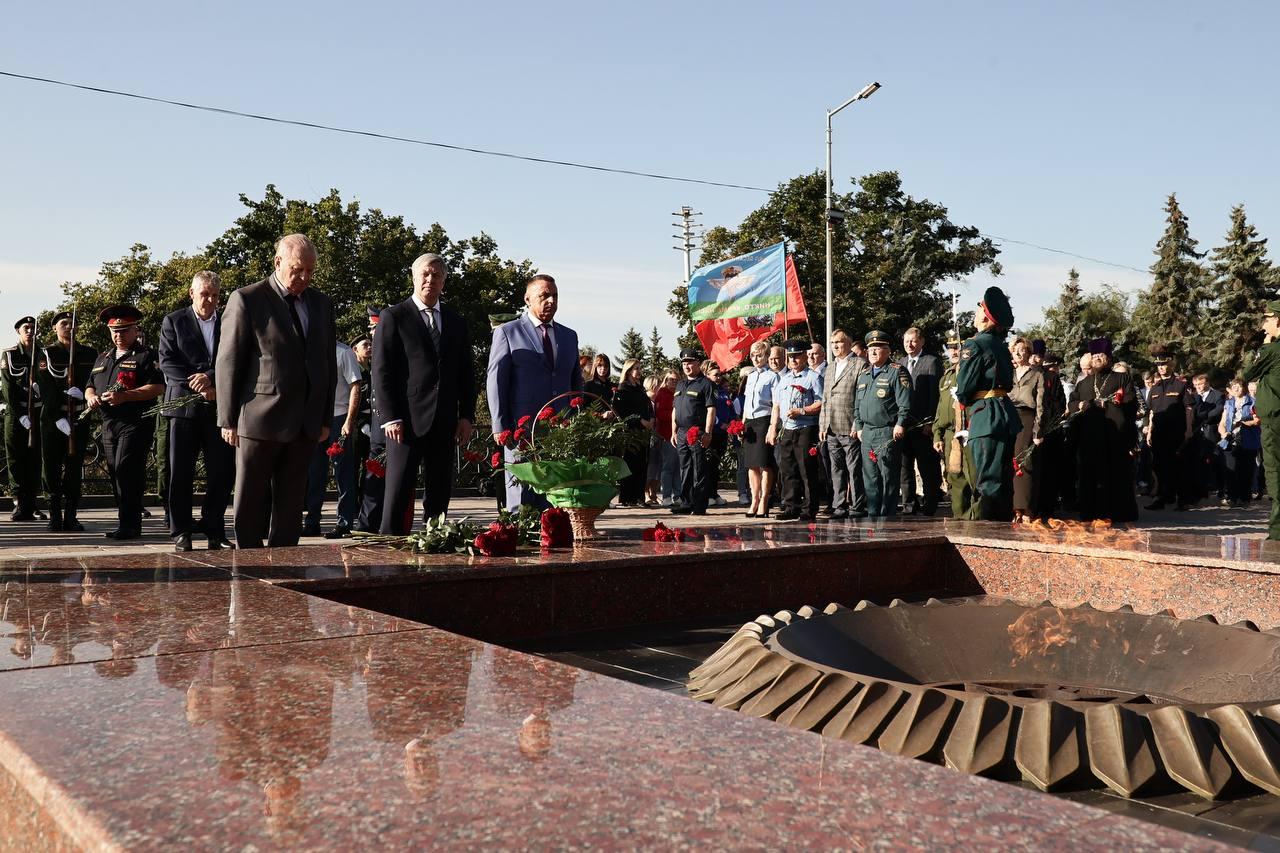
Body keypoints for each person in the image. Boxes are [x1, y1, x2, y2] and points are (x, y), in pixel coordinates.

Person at [216, 233, 338, 549]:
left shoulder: (321, 304)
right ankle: (249, 565)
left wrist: (324, 416)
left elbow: (327, 364)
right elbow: (229, 363)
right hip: (259, 418)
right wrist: (228, 419)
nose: (304, 278)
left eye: (310, 271)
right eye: (298, 269)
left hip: (305, 422)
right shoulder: (247, 299)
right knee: (252, 500)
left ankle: (285, 566)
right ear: (278, 262)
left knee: (291, 503)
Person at [375, 253, 476, 534]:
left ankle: (434, 547)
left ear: (444, 281)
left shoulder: (456, 321)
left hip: (444, 422)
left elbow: (466, 373)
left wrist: (466, 415)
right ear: (414, 277)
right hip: (405, 423)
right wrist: (391, 416)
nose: (430, 280)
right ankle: (389, 555)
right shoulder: (394, 316)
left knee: (439, 493)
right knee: (397, 492)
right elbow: (382, 372)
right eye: (425, 274)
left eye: (437, 275)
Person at [487, 274, 581, 511]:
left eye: (555, 296)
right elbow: (495, 381)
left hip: (561, 432)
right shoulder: (508, 332)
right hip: (522, 431)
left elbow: (576, 383)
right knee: (522, 495)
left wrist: (578, 420)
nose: (551, 301)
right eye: (544, 296)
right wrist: (499, 425)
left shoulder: (569, 336)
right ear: (528, 299)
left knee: (556, 498)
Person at [158, 271, 235, 551]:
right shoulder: (174, 321)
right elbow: (168, 362)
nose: (210, 300)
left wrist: (212, 377)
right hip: (183, 409)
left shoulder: (228, 321)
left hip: (218, 406)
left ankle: (214, 528)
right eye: (205, 294)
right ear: (192, 293)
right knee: (180, 472)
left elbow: (235, 355)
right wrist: (200, 385)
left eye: (215, 295)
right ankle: (181, 531)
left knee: (221, 472)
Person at [85, 305, 164, 539]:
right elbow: (90, 384)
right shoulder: (103, 357)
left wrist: (125, 396)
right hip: (109, 424)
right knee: (114, 472)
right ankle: (125, 522)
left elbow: (157, 387)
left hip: (135, 422)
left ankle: (131, 524)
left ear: (135, 330)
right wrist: (91, 397)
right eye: (115, 331)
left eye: (124, 330)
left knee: (126, 469)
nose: (118, 335)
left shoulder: (146, 356)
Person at [954, 287, 1021, 521]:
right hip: (1004, 414)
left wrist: (963, 398)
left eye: (978, 308)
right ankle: (1002, 532)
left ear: (984, 315)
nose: (975, 313)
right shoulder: (1000, 346)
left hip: (986, 417)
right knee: (1004, 480)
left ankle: (987, 535)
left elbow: (963, 387)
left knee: (988, 481)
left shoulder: (976, 345)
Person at [38, 310, 97, 531]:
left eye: (73, 323)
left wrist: (85, 393)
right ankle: (54, 514)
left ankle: (71, 514)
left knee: (74, 467)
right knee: (51, 467)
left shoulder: (89, 353)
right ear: (55, 328)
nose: (69, 327)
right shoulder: (46, 354)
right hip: (54, 420)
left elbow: (95, 379)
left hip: (79, 416)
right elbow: (44, 387)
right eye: (64, 323)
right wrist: (57, 416)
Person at [1070, 337, 1139, 522]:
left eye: (1101, 355)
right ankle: (1090, 512)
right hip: (1090, 437)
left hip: (1114, 437)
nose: (1097, 358)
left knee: (1116, 475)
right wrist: (1079, 405)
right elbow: (1071, 403)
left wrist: (1108, 406)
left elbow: (1131, 403)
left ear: (1109, 357)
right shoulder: (1083, 383)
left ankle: (1118, 513)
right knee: (1090, 475)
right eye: (1094, 355)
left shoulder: (1122, 378)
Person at [304, 341, 362, 537]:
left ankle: (344, 522)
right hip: (316, 419)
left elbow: (356, 386)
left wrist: (349, 421)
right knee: (314, 472)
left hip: (339, 418)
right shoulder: (309, 349)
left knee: (342, 472)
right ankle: (312, 522)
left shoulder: (344, 352)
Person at [852, 331, 911, 517]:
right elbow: (857, 405)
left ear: (888, 351)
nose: (873, 352)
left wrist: (901, 423)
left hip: (887, 431)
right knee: (869, 477)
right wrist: (859, 426)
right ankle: (873, 513)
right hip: (867, 432)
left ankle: (887, 515)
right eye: (870, 348)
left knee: (888, 477)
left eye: (878, 348)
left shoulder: (896, 371)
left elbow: (905, 402)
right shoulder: (864, 374)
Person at [767, 340, 824, 521]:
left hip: (806, 428)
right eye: (790, 357)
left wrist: (802, 411)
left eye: (796, 356)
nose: (793, 360)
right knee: (788, 469)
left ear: (804, 357)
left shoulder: (813, 377)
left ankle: (809, 508)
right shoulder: (784, 379)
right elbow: (776, 405)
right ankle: (791, 506)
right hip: (787, 429)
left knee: (807, 469)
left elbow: (821, 402)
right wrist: (772, 428)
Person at [818, 329, 867, 519]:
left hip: (849, 425)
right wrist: (823, 425)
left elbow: (861, 398)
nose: (835, 346)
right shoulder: (830, 367)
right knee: (836, 468)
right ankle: (839, 505)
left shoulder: (860, 364)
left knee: (854, 469)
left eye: (838, 342)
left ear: (848, 343)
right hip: (831, 427)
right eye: (832, 343)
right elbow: (825, 398)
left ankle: (857, 505)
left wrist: (858, 423)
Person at [1244, 300, 1280, 539]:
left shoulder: (1272, 350)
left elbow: (1249, 372)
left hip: (1275, 420)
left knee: (1275, 470)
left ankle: (1278, 530)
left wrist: (1265, 345)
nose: (1264, 324)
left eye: (1267, 319)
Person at [1144, 346, 1195, 511]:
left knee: (1178, 466)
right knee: (1159, 466)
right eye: (1159, 365)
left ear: (1171, 365)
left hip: (1176, 433)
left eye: (1164, 364)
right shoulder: (1154, 388)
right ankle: (1162, 497)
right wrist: (1150, 431)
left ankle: (1182, 500)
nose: (1161, 367)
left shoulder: (1180, 385)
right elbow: (1152, 412)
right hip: (1159, 433)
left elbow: (1189, 408)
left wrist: (1188, 429)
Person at [2, 316, 42, 521]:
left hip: (37, 413)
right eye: (26, 327)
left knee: (35, 459)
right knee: (16, 459)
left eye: (33, 327)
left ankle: (33, 503)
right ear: (18, 331)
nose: (30, 331)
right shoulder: (9, 355)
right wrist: (20, 416)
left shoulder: (43, 354)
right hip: (16, 414)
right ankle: (18, 503)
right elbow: (8, 390)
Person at [899, 327, 942, 515]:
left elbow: (935, 395)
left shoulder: (931, 362)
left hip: (923, 424)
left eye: (914, 341)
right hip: (905, 424)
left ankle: (930, 502)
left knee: (927, 466)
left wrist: (930, 422)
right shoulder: (899, 363)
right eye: (906, 341)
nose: (910, 344)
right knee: (905, 467)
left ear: (922, 342)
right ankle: (909, 504)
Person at [356, 305, 389, 533]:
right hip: (375, 426)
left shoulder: (389, 348)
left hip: (389, 422)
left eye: (376, 327)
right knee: (373, 474)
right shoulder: (376, 351)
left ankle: (383, 525)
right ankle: (367, 525)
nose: (373, 333)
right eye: (372, 328)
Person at [671, 348, 715, 516]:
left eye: (689, 362)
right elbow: (675, 409)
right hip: (681, 432)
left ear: (698, 363)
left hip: (697, 431)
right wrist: (673, 431)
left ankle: (699, 504)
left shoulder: (705, 384)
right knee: (685, 468)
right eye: (684, 363)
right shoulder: (681, 384)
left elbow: (711, 409)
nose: (686, 366)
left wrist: (708, 433)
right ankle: (686, 502)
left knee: (699, 468)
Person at [933, 339, 974, 519]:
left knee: (972, 477)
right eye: (951, 349)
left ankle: (976, 520)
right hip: (950, 434)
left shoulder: (969, 373)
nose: (954, 352)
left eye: (957, 348)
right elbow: (940, 408)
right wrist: (937, 434)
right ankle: (960, 519)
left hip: (969, 432)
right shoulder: (946, 377)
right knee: (954, 478)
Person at [1008, 337, 1046, 522]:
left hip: (1027, 419)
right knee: (1009, 463)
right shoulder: (1008, 373)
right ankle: (1014, 508)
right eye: (1015, 349)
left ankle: (1026, 508)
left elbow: (1040, 406)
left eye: (1022, 349)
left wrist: (1038, 431)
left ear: (1028, 352)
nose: (1018, 353)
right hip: (1008, 419)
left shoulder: (1037, 375)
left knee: (1024, 464)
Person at [740, 340, 778, 518]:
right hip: (750, 422)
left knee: (764, 463)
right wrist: (742, 423)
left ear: (767, 356)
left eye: (759, 355)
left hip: (764, 419)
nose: (755, 358)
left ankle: (764, 500)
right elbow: (747, 402)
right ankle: (754, 500)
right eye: (753, 355)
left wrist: (773, 426)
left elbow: (776, 403)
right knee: (751, 465)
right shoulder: (751, 375)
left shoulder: (773, 377)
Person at [613, 358, 653, 506]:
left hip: (644, 432)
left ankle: (639, 497)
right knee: (630, 465)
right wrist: (639, 421)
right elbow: (622, 412)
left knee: (642, 464)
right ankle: (627, 498)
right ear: (629, 371)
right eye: (636, 368)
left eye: (640, 368)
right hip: (631, 431)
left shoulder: (640, 388)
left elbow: (648, 406)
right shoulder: (623, 389)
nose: (639, 371)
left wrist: (651, 419)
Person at [1033, 352, 1068, 519]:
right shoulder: (1044, 377)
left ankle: (1042, 505)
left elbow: (1059, 403)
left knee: (1044, 469)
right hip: (1042, 429)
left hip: (1043, 429)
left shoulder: (1046, 377)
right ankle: (1042, 506)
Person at [1220, 378, 1260, 508]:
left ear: (1244, 388)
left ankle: (1245, 498)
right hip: (1231, 440)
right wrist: (1223, 432)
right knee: (1230, 469)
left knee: (1246, 470)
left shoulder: (1253, 402)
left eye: (1239, 386)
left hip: (1248, 440)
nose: (1236, 389)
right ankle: (1231, 497)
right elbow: (1222, 422)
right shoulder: (1228, 403)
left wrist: (1241, 422)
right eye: (1234, 387)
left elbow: (1257, 421)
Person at [705, 361, 735, 507]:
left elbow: (729, 408)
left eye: (720, 375)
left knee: (716, 464)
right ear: (707, 375)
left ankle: (714, 492)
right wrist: (718, 423)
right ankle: (708, 494)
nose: (718, 378)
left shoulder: (722, 391)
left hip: (723, 433)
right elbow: (707, 411)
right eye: (715, 375)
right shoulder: (707, 390)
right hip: (712, 432)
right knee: (709, 464)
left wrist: (733, 422)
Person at [1192, 373, 1226, 503]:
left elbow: (1219, 410)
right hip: (1197, 432)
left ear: (1207, 383)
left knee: (1215, 459)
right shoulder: (1194, 396)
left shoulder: (1217, 395)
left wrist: (1203, 416)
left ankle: (1221, 487)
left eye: (1200, 384)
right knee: (1199, 461)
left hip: (1211, 431)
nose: (1198, 387)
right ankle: (1202, 489)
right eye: (1196, 385)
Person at [652, 368, 678, 505]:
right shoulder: (662, 394)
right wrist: (676, 416)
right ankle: (667, 495)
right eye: (670, 379)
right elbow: (660, 415)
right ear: (665, 380)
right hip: (666, 434)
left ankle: (677, 495)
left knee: (678, 467)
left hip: (678, 434)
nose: (673, 382)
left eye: (675, 379)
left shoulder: (679, 394)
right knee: (668, 466)